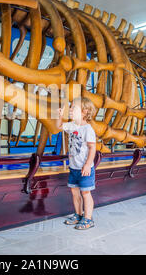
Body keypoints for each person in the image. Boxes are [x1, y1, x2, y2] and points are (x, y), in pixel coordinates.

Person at [57, 97, 97, 230]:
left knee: (86, 193)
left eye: (74, 107)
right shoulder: (72, 126)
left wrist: (87, 165)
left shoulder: (88, 129)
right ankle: (78, 214)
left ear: (84, 111)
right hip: (74, 168)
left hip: (85, 169)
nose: (71, 110)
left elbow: (92, 148)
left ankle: (88, 218)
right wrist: (60, 116)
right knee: (75, 192)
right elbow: (59, 126)